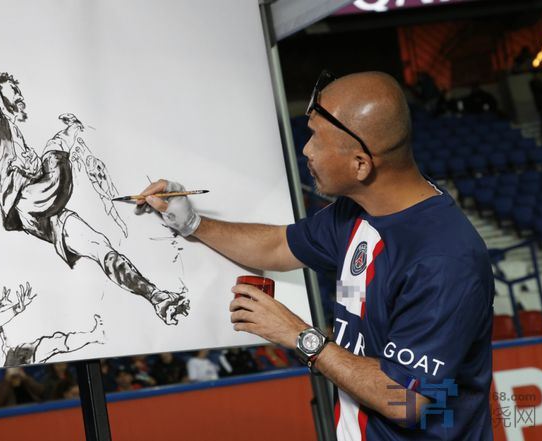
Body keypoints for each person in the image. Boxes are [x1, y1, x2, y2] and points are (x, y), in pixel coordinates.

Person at [136, 71, 494, 439]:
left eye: (316, 139)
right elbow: (277, 245)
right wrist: (192, 222)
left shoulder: (445, 261)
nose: (306, 150)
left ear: (361, 164)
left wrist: (299, 335)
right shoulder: (358, 211)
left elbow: (405, 399)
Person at [0, 73, 189, 326]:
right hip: (25, 199)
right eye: (13, 89)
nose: (19, 94)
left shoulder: (10, 130)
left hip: (34, 212)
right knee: (53, 152)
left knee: (98, 245)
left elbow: (22, 167)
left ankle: (156, 298)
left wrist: (31, 166)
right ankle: (70, 134)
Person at [0, 261, 104, 369]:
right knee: (52, 344)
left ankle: (94, 335)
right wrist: (16, 309)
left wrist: (2, 304)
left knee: (53, 342)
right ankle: (94, 336)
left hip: (8, 357)